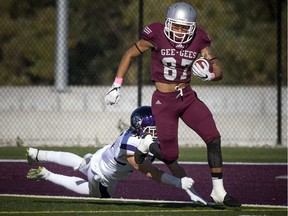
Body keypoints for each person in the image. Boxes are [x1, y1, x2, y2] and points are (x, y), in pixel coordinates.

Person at [104, 2, 241, 207]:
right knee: (170, 155)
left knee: (213, 137)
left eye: (184, 27)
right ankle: (147, 143)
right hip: (163, 100)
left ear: (192, 28)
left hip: (186, 97)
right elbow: (130, 54)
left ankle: (218, 191)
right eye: (175, 26)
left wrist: (211, 74)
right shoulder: (156, 34)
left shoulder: (199, 39)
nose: (179, 31)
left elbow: (218, 69)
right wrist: (116, 85)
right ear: (168, 24)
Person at [26, 106, 206, 204]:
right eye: (152, 128)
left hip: (101, 157)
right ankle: (47, 175)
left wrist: (190, 190)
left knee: (81, 163)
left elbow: (172, 164)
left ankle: (38, 154)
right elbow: (150, 172)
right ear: (141, 128)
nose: (156, 131)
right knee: (95, 194)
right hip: (102, 176)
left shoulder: (137, 134)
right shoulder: (131, 147)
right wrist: (178, 183)